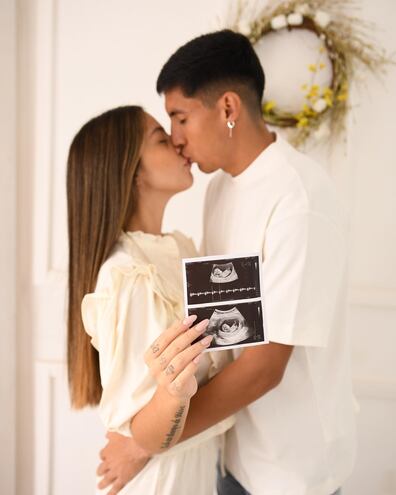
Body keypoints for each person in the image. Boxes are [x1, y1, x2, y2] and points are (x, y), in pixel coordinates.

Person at [98, 30, 357, 495]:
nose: (176, 139)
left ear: (228, 109)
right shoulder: (220, 189)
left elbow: (264, 365)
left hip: (292, 473)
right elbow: (229, 328)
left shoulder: (299, 199)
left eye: (180, 118)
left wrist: (145, 442)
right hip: (227, 451)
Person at [66, 105, 234, 495]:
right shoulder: (128, 274)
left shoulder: (180, 248)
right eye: (161, 138)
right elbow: (140, 428)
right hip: (164, 483)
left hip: (200, 470)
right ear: (132, 172)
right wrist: (173, 394)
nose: (178, 142)